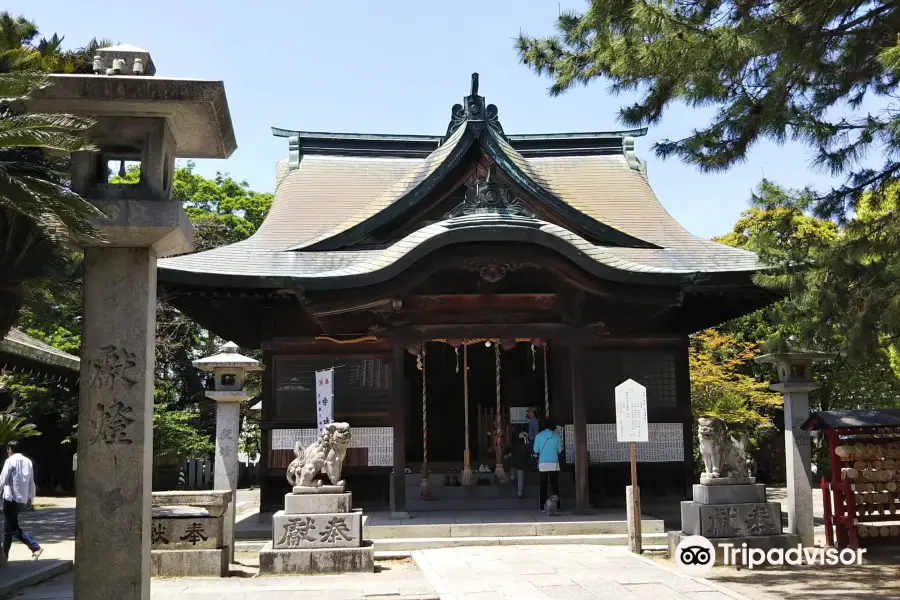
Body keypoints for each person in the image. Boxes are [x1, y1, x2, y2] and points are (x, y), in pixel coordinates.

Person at [0, 441, 41, 560]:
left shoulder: (10, 461)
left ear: (10, 449)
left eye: (8, 449)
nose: (7, 451)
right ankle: (4, 556)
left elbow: (2, 480)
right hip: (21, 500)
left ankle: (35, 547)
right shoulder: (28, 461)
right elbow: (31, 482)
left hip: (10, 499)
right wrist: (30, 498)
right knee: (7, 529)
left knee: (13, 528)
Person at [533, 418, 563, 512]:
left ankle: (542, 506)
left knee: (543, 486)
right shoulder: (556, 436)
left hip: (543, 464)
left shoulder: (538, 436)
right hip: (554, 463)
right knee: (554, 486)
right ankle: (556, 505)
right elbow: (559, 450)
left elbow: (536, 450)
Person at [508, 429, 532, 499]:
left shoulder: (516, 447)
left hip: (515, 463)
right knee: (520, 478)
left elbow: (511, 454)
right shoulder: (527, 447)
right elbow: (529, 456)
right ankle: (520, 493)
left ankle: (512, 477)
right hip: (521, 464)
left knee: (515, 472)